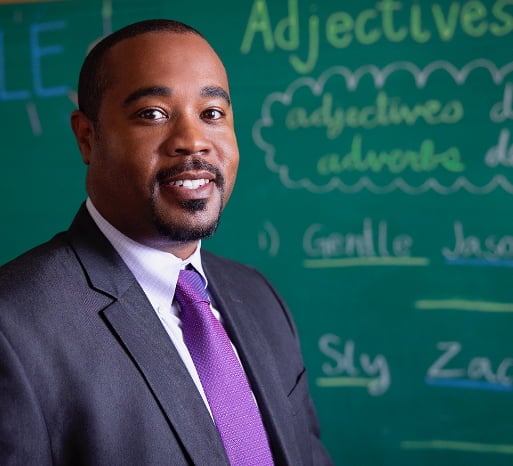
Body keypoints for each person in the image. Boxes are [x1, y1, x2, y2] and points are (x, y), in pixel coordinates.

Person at [0, 19, 332, 466]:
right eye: (152, 114)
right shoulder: (14, 328)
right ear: (87, 137)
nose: (193, 141)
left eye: (212, 114)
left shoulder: (259, 298)